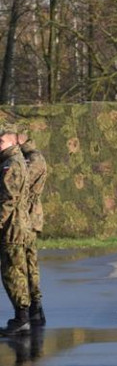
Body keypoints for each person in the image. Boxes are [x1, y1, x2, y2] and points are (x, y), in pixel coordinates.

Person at [0, 124, 31, 336]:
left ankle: (22, 318)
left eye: (1, 141)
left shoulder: (11, 164)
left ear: (13, 141)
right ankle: (22, 317)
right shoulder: (14, 161)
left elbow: (8, 199)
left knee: (12, 271)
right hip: (17, 224)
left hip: (12, 226)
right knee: (15, 270)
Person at [17, 130, 46, 324]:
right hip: (24, 215)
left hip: (28, 216)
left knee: (28, 263)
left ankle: (34, 308)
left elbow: (22, 185)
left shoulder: (33, 159)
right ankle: (33, 310)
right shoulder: (24, 157)